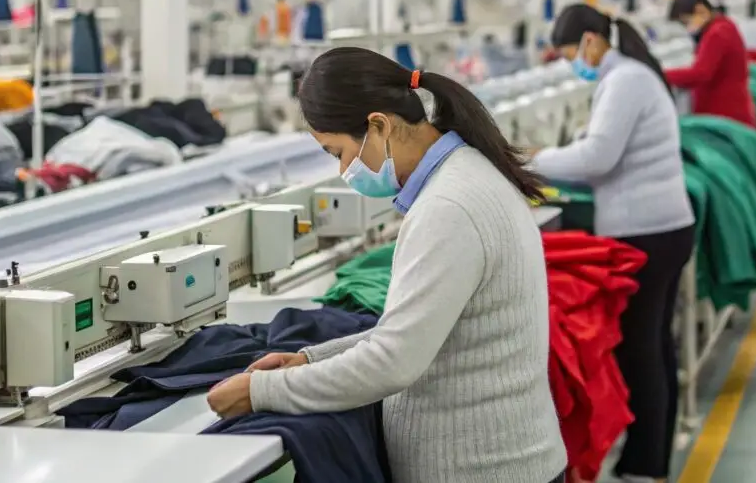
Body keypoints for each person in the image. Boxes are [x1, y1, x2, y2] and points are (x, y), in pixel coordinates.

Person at [206, 46, 567, 483]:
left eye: (338, 152)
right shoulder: (466, 173)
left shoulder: (448, 207)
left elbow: (394, 362)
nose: (344, 170)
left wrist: (261, 392)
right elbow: (415, 335)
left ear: (379, 126)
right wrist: (309, 361)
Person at [529, 4, 695, 483]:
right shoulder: (632, 75)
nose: (572, 65)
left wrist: (533, 159)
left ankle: (644, 465)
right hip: (665, 227)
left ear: (590, 41)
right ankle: (652, 458)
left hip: (646, 233)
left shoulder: (624, 81)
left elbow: (597, 157)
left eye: (570, 55)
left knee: (640, 351)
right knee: (655, 346)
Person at [665, 0, 756, 128]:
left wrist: (662, 74)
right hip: (725, 114)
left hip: (726, 117)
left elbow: (701, 73)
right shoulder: (722, 26)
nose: (687, 27)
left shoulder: (717, 33)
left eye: (686, 21)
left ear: (700, 10)